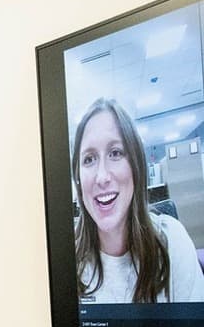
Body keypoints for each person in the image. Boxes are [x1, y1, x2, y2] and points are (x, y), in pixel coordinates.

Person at [72, 97, 204, 303]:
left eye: (115, 153)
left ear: (136, 166)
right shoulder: (67, 260)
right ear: (78, 177)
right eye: (89, 159)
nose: (102, 176)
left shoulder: (171, 242)